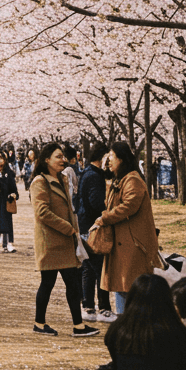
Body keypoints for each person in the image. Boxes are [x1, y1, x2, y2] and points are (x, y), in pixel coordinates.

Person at [30, 142, 100, 339]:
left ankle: (76, 326)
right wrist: (68, 228)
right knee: (49, 282)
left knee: (70, 282)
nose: (63, 160)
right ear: (46, 160)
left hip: (65, 240)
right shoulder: (40, 182)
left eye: (63, 156)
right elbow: (42, 212)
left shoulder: (62, 178)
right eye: (58, 157)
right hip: (51, 241)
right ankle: (41, 323)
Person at [92, 141, 158, 315]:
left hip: (133, 243)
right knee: (122, 287)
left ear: (122, 158)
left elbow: (129, 206)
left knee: (130, 287)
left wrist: (104, 218)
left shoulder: (133, 179)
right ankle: (125, 322)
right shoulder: (120, 179)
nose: (108, 160)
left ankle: (129, 324)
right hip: (123, 242)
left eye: (112, 156)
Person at [75, 144, 113, 323]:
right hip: (92, 227)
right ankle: (104, 309)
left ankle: (88, 307)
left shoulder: (86, 173)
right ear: (102, 157)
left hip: (83, 225)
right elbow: (95, 201)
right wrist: (107, 211)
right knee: (100, 269)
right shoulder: (94, 176)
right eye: (108, 156)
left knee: (88, 269)